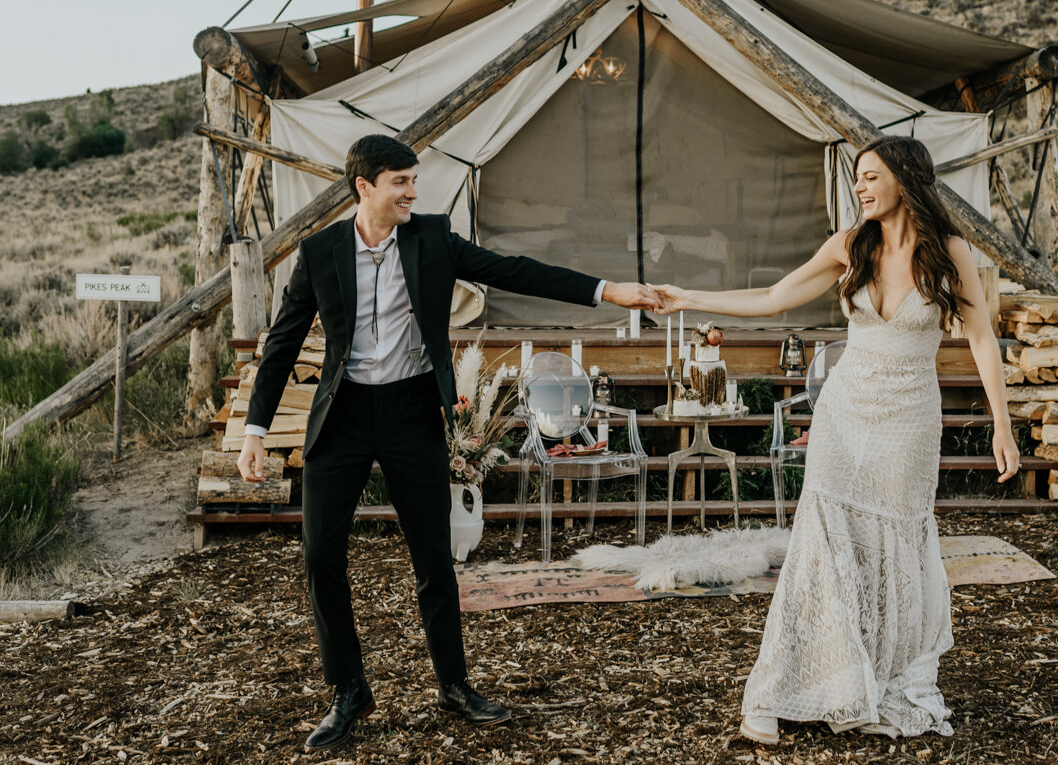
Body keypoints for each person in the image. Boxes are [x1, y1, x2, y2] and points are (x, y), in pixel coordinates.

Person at [238, 133, 661, 752]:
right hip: (343, 417)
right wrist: (254, 433)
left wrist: (607, 291)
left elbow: (516, 271)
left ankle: (454, 685)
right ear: (365, 188)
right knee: (320, 555)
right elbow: (281, 345)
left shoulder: (431, 239)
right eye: (401, 182)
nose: (414, 191)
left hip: (412, 411)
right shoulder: (320, 252)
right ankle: (348, 690)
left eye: (415, 181)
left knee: (434, 559)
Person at [653, 135, 1018, 744]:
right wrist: (687, 297)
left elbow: (982, 338)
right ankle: (774, 690)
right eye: (857, 179)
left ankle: (871, 682)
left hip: (908, 422)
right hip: (844, 416)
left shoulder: (951, 252)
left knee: (892, 550)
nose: (861, 187)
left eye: (872, 176)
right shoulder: (849, 246)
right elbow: (772, 297)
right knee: (823, 547)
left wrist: (1002, 425)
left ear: (906, 178)